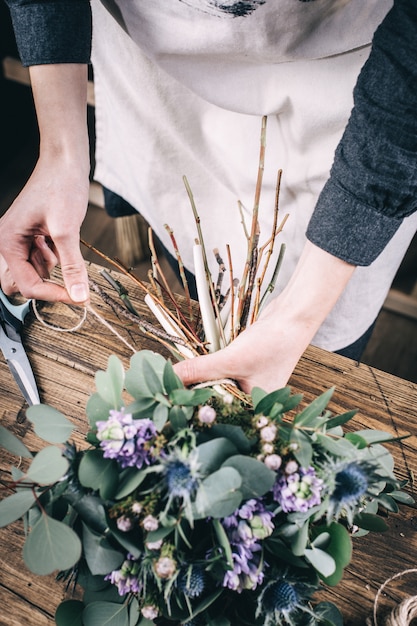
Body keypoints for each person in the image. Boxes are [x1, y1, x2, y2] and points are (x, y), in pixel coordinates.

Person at [1, 0, 417, 393]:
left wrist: (298, 316)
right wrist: (60, 152)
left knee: (305, 358)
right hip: (157, 73)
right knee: (184, 253)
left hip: (346, 109)